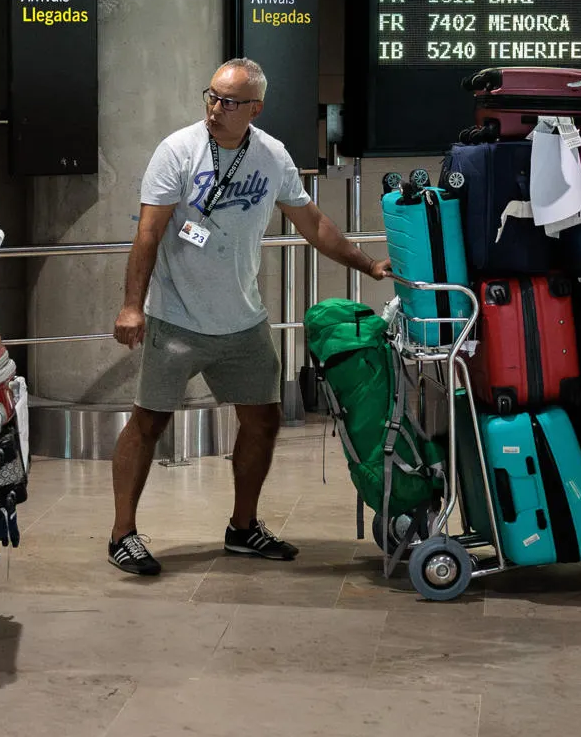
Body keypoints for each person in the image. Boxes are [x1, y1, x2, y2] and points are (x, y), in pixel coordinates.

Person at [107, 58, 389, 576]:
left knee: (262, 419)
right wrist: (131, 306)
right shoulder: (178, 150)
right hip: (176, 318)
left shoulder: (272, 156)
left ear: (255, 108)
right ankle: (122, 533)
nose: (216, 108)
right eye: (212, 96)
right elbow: (147, 233)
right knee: (149, 420)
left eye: (230, 101)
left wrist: (367, 263)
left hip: (242, 321)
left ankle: (243, 528)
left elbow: (314, 223)